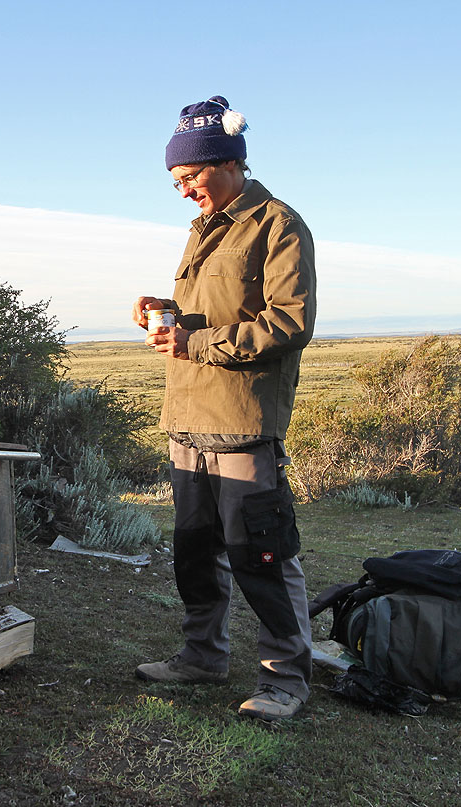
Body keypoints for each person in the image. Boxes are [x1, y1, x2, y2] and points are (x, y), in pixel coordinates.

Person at [133, 96, 317, 723]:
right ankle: (202, 656)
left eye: (191, 177)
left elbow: (288, 323)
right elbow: (214, 313)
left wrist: (194, 342)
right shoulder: (202, 229)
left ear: (229, 162)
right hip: (187, 420)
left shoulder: (277, 224)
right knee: (194, 550)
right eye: (177, 182)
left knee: (261, 553)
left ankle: (284, 678)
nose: (184, 191)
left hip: (242, 424)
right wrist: (166, 313)